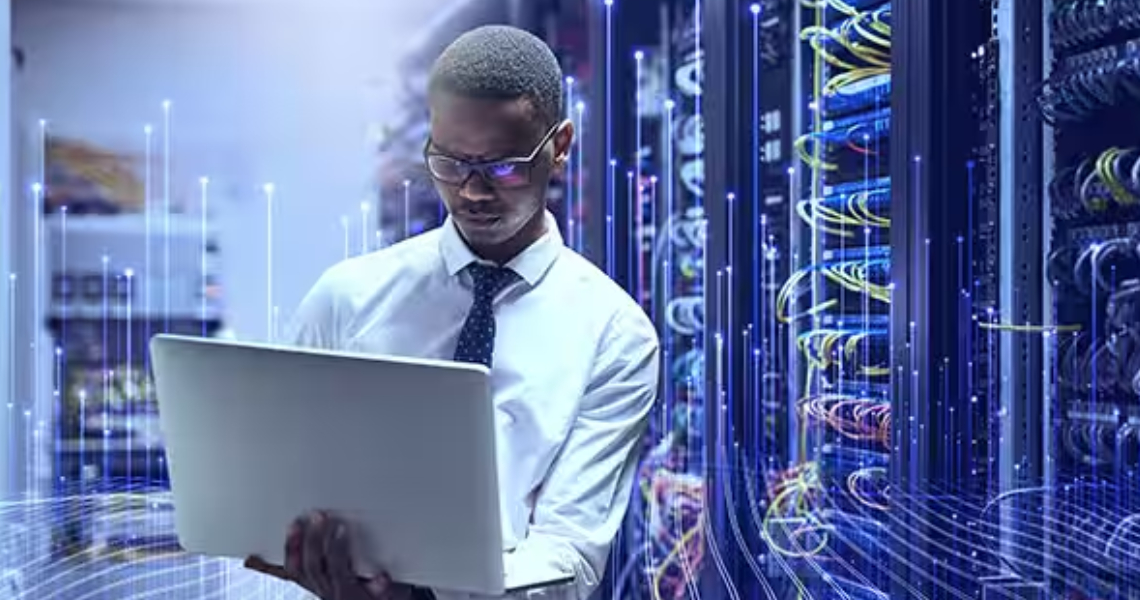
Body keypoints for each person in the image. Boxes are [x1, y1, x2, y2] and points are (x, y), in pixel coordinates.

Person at [243, 24, 660, 600]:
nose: (472, 192)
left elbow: (571, 553)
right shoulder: (348, 296)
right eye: (450, 163)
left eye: (503, 166)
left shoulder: (613, 334)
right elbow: (278, 473)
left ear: (560, 146)